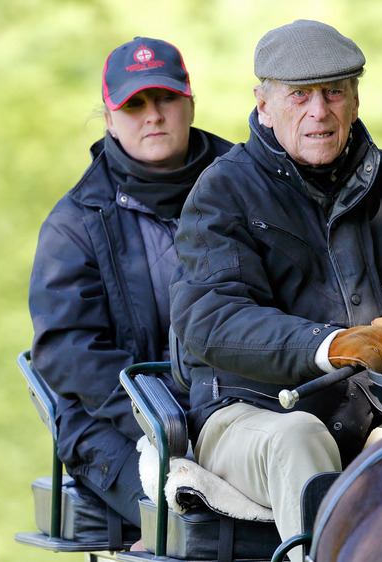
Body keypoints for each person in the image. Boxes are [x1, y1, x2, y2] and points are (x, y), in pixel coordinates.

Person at [168, 20, 382, 550]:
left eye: (334, 92)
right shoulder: (223, 190)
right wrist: (331, 347)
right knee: (300, 438)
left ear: (355, 101)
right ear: (264, 104)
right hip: (249, 416)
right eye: (300, 96)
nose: (320, 111)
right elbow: (211, 321)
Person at [28, 37, 233, 533]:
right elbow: (68, 351)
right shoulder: (74, 222)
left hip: (241, 410)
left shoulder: (247, 185)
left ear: (189, 102)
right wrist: (168, 418)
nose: (153, 116)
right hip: (113, 428)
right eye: (134, 103)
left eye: (164, 98)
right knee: (202, 528)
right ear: (109, 118)